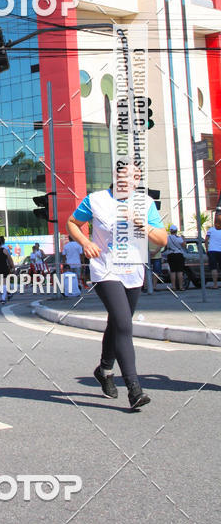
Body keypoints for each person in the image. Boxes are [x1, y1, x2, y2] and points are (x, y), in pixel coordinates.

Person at [67, 163, 167, 410]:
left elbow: (162, 240)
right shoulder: (96, 200)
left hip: (133, 271)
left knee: (117, 322)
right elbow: (71, 222)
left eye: (135, 176)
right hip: (105, 269)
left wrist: (140, 222)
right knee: (124, 323)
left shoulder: (145, 203)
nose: (130, 180)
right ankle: (134, 389)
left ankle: (104, 370)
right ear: (115, 176)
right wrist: (84, 242)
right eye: (125, 175)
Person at [165, 225, 192, 291]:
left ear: (170, 231)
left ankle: (173, 286)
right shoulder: (179, 238)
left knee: (172, 271)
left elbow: (165, 245)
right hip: (179, 254)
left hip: (170, 254)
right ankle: (181, 286)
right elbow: (184, 245)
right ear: (176, 231)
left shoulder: (167, 238)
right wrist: (184, 239)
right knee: (180, 271)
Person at [205, 215, 221, 289]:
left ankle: (215, 284)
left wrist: (207, 249)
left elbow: (206, 240)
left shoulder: (211, 230)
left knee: (213, 268)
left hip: (212, 251)